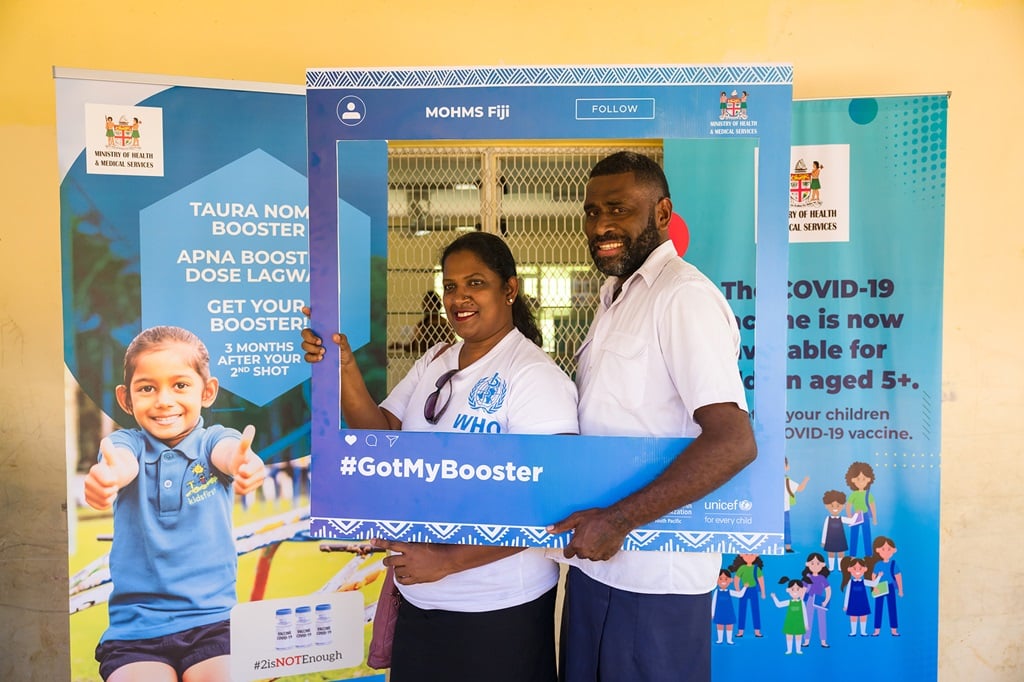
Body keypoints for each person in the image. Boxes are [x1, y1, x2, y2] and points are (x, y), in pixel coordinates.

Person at [301, 231, 579, 682]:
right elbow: (381, 436)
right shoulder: (436, 359)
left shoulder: (533, 376)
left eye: (475, 283)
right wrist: (343, 367)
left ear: (510, 289)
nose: (459, 298)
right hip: (420, 600)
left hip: (498, 609)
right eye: (450, 286)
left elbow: (550, 503)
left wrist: (446, 561)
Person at [546, 151, 757, 682]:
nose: (601, 226)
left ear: (662, 213)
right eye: (592, 212)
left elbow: (733, 441)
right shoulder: (614, 295)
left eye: (617, 209)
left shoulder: (683, 296)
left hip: (655, 580)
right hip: (597, 567)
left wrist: (619, 521)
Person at [83, 325, 265, 682]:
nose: (164, 400)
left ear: (207, 391)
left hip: (215, 624)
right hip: (136, 633)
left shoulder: (214, 441)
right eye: (147, 388)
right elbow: (120, 463)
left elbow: (231, 453)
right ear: (125, 399)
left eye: (180, 385)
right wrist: (108, 478)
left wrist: (246, 465)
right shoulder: (126, 444)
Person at [388, 289, 455, 354]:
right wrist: (399, 345)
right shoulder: (422, 324)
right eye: (424, 304)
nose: (424, 307)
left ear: (435, 305)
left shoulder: (445, 325)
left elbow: (451, 346)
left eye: (427, 304)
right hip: (423, 359)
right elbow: (412, 346)